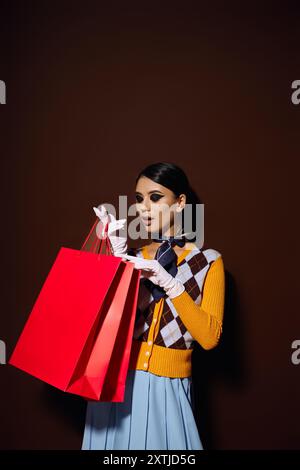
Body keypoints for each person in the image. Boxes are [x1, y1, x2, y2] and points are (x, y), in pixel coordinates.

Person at [81, 162, 225, 450]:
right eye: (139, 199)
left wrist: (173, 286)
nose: (144, 208)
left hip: (167, 390)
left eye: (155, 198)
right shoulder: (133, 256)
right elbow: (100, 322)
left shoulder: (208, 261)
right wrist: (114, 260)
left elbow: (209, 338)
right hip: (118, 384)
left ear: (180, 203)